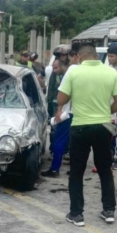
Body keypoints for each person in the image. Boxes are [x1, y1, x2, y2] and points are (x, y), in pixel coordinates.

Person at [58, 43, 117, 226]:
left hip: (80, 127)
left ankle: (76, 214)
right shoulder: (111, 72)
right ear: (96, 56)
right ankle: (109, 211)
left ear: (79, 57)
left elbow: (61, 99)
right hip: (103, 126)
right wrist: (105, 111)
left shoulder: (73, 71)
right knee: (105, 170)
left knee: (77, 172)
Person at [41, 44, 81, 177]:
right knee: (77, 142)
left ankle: (54, 169)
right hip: (80, 113)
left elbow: (62, 94)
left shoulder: (69, 72)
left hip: (67, 112)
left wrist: (59, 110)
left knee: (59, 140)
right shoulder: (81, 71)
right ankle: (76, 170)